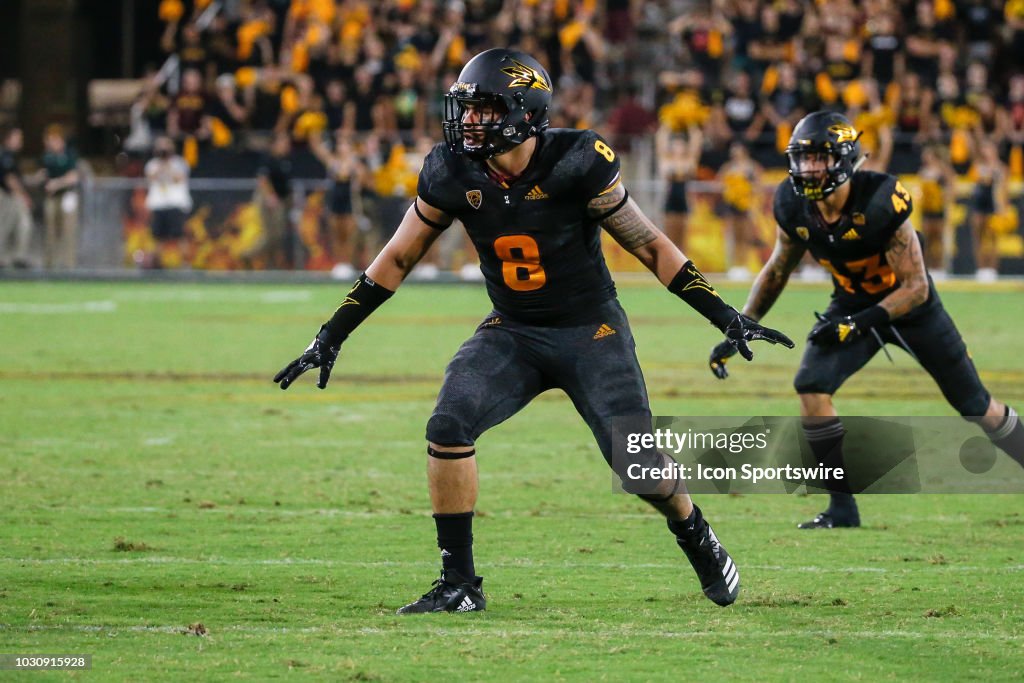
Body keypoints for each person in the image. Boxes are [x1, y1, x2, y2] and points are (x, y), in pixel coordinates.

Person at [274, 49, 793, 612]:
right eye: (466, 108)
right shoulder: (452, 168)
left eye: (485, 108)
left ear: (525, 112)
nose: (469, 120)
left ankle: (696, 533)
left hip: (590, 329)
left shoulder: (577, 160)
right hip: (513, 329)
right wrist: (331, 334)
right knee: (448, 424)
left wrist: (725, 315)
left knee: (639, 468)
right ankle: (460, 585)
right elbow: (397, 258)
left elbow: (647, 243)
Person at [707, 111, 1024, 529]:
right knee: (811, 385)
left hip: (912, 311)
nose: (809, 169)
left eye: (819, 158)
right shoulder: (792, 203)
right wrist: (742, 322)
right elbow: (779, 268)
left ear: (843, 160)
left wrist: (861, 322)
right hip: (850, 303)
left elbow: (916, 288)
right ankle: (842, 509)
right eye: (802, 159)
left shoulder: (880, 199)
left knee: (975, 406)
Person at [144, 136, 193, 269]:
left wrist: (168, 166)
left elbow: (179, 178)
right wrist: (161, 166)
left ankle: (185, 265)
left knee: (180, 236)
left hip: (175, 204)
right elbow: (151, 177)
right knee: (157, 237)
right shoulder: (152, 164)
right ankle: (156, 266)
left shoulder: (180, 163)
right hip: (159, 204)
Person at [36, 125, 79, 270]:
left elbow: (73, 177)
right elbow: (43, 174)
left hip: (67, 195)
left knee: (68, 230)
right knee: (50, 230)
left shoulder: (69, 154)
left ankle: (68, 265)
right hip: (51, 197)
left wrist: (57, 183)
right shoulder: (47, 156)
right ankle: (49, 264)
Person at [656, 124, 702, 252]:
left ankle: (684, 266)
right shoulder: (666, 160)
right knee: (669, 238)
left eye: (681, 144)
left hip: (684, 199)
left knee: (683, 236)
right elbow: (660, 139)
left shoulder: (689, 161)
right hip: (670, 198)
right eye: (675, 144)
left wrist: (689, 121)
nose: (678, 146)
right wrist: (669, 121)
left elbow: (696, 139)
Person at [254, 131, 294, 269]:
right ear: (275, 144)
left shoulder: (285, 160)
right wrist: (270, 196)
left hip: (281, 200)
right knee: (271, 235)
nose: (287, 145)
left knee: (277, 235)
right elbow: (263, 180)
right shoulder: (268, 158)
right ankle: (248, 256)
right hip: (270, 200)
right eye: (283, 142)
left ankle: (271, 266)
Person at [0, 127, 33, 269]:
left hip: (13, 196)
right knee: (4, 226)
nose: (20, 141)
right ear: (8, 139)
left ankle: (19, 257)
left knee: (23, 225)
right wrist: (23, 195)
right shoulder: (5, 155)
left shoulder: (11, 155)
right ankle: (5, 258)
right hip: (8, 196)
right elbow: (9, 179)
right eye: (17, 138)